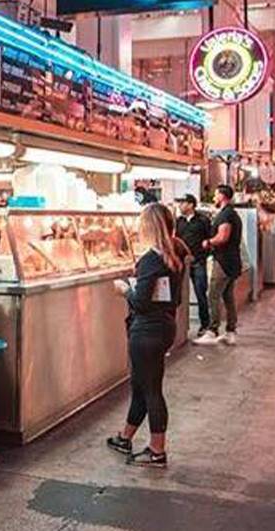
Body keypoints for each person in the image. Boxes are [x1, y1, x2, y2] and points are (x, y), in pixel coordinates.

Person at [106, 203, 185, 467]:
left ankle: (157, 450)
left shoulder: (152, 259)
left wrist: (124, 289)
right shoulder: (176, 253)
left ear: (148, 227)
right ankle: (125, 437)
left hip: (146, 331)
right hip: (164, 326)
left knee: (151, 389)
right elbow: (174, 298)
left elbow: (140, 301)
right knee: (141, 385)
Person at [196, 185, 242, 345]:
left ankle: (212, 330)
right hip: (232, 261)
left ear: (222, 196)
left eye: (216, 195)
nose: (214, 198)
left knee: (213, 294)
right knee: (228, 296)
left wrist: (208, 242)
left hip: (223, 261)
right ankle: (230, 331)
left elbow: (223, 237)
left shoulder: (226, 215)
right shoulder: (231, 213)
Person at [174, 194, 213, 335]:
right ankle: (180, 325)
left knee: (200, 293)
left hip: (198, 263)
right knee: (178, 293)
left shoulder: (203, 221)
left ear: (191, 205)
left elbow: (210, 241)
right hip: (181, 263)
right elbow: (176, 240)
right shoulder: (179, 221)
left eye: (183, 203)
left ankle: (205, 325)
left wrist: (202, 257)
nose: (180, 206)